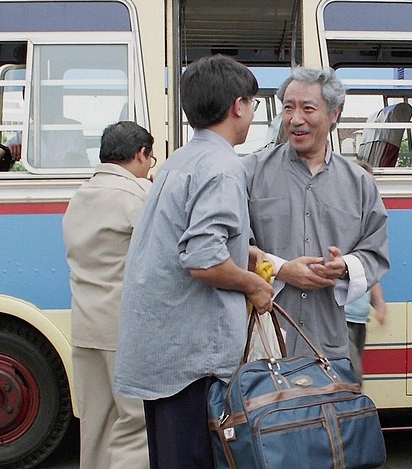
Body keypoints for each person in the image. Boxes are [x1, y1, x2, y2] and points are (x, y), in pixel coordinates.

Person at [113, 55, 273, 469]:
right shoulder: (222, 167)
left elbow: (183, 240)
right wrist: (254, 285)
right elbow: (203, 261)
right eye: (253, 103)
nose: (252, 112)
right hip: (191, 358)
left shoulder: (180, 160)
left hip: (163, 351)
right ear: (238, 106)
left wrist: (244, 253)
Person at [242, 66, 390, 361]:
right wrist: (282, 269)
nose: (296, 119)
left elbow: (375, 253)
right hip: (266, 340)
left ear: (334, 114)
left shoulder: (359, 183)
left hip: (329, 343)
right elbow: (231, 244)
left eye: (308, 108)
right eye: (288, 108)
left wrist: (345, 267)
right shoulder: (251, 172)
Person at [62, 121, 156, 469]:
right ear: (140, 154)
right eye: (150, 159)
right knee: (136, 422)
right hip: (125, 327)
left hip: (85, 324)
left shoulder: (80, 196)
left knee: (96, 423)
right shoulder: (136, 196)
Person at [344, 160, 388, 383]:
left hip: (358, 317)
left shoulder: (365, 224)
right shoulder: (343, 222)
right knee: (351, 378)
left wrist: (379, 303)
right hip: (340, 317)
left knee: (352, 377)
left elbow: (368, 270)